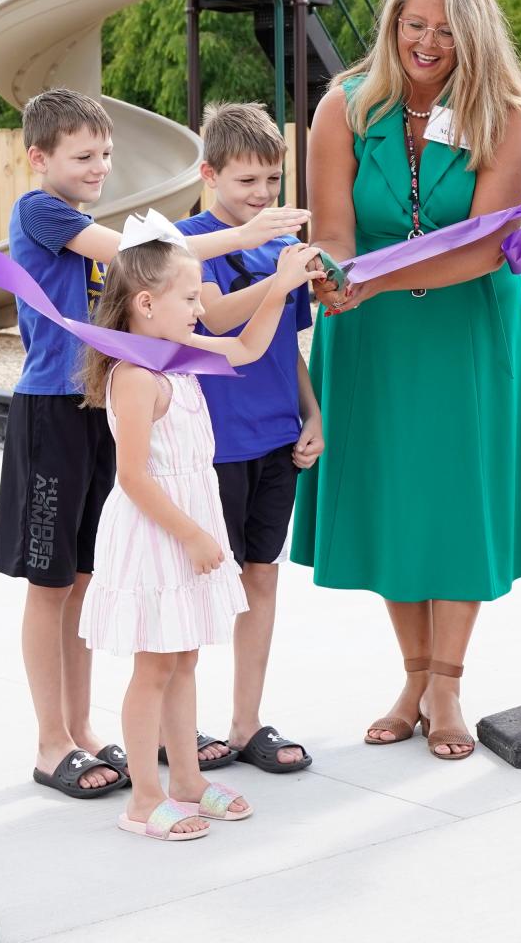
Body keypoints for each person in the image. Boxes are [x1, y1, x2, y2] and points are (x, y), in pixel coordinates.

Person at [0, 86, 309, 799]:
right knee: (49, 585)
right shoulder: (40, 211)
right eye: (83, 155)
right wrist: (246, 236)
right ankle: (52, 741)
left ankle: (82, 729)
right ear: (39, 156)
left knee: (80, 577)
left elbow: (176, 292)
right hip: (52, 410)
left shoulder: (81, 218)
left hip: (97, 408)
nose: (99, 166)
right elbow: (149, 253)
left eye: (106, 153)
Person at [291, 0, 521, 761]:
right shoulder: (342, 109)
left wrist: (371, 281)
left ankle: (447, 684)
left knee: (456, 500)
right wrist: (337, 276)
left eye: (444, 29)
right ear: (392, 26)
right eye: (413, 25)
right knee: (393, 500)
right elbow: (332, 231)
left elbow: (483, 249)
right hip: (370, 334)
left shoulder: (505, 114)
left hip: (465, 328)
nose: (427, 42)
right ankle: (412, 678)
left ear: (471, 34)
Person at [77, 214, 322, 839]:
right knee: (154, 667)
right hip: (159, 534)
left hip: (187, 527)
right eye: (189, 298)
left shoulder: (179, 356)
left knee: (183, 660)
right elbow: (132, 477)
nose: (199, 308)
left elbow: (244, 346)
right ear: (147, 302)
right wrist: (191, 533)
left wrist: (281, 282)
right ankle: (144, 799)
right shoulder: (136, 376)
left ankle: (186, 780)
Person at [175, 102, 322, 775]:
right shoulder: (187, 241)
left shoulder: (279, 246)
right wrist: (278, 277)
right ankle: (178, 730)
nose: (262, 196)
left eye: (272, 181)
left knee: (261, 578)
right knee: (200, 588)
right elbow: (211, 319)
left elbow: (285, 345)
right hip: (211, 446)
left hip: (274, 439)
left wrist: (312, 413)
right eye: (246, 182)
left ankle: (245, 723)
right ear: (210, 175)